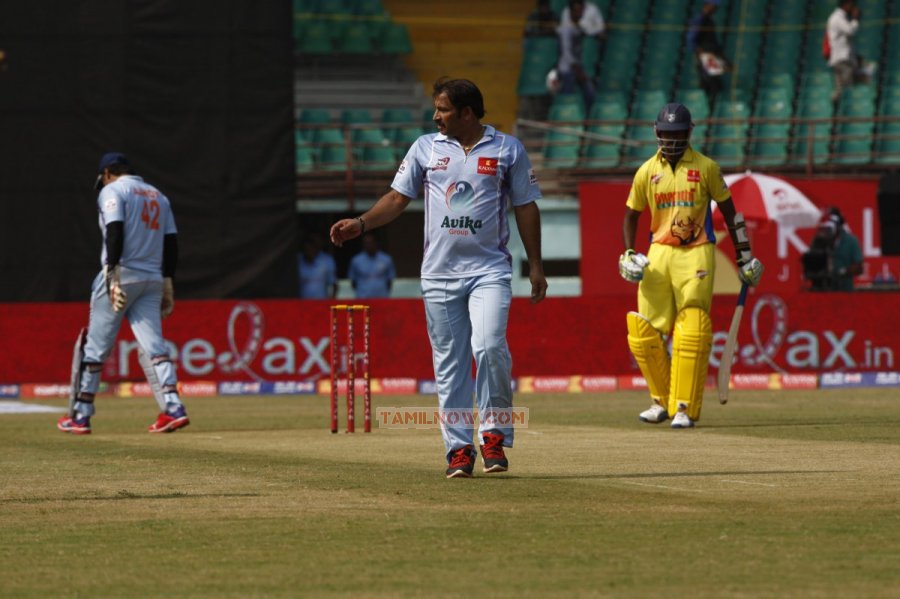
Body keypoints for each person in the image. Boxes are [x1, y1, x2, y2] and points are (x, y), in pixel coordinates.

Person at [330, 77, 547, 478]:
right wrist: (361, 224)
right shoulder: (425, 148)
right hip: (439, 275)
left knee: (489, 348)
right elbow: (397, 198)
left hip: (489, 271)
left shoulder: (506, 149)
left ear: (467, 113)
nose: (436, 116)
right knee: (450, 365)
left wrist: (535, 264)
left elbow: (526, 206)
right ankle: (460, 449)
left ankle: (494, 436)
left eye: (443, 109)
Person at [619, 103, 763, 429]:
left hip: (696, 252)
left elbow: (731, 214)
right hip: (658, 252)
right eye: (666, 134)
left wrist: (744, 255)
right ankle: (660, 401)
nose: (671, 140)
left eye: (678, 134)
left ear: (689, 133)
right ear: (657, 133)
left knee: (693, 326)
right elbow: (631, 214)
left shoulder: (706, 167)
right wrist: (628, 252)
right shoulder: (645, 171)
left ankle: (683, 407)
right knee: (644, 332)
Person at [57, 152, 188, 435]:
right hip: (152, 278)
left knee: (96, 347)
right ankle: (174, 407)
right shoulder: (158, 195)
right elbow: (171, 243)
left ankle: (81, 414)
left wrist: (111, 270)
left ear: (106, 174)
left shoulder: (113, 191)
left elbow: (114, 230)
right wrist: (168, 281)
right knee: (155, 346)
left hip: (122, 274)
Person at [827, 0, 875, 105]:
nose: (853, 7)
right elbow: (850, 30)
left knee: (864, 74)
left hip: (844, 58)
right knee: (847, 87)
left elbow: (845, 41)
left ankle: (837, 101)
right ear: (846, 4)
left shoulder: (840, 17)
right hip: (842, 59)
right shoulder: (837, 17)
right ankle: (837, 102)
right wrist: (855, 18)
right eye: (852, 5)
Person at [802, 208, 863, 291]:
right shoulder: (818, 240)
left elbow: (858, 267)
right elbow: (811, 262)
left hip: (844, 291)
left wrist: (842, 272)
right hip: (821, 290)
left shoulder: (851, 241)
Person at [555, 0, 596, 109]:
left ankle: (588, 118)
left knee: (589, 94)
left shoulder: (579, 28)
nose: (579, 13)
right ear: (570, 12)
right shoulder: (566, 29)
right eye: (576, 11)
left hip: (577, 67)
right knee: (568, 98)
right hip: (567, 70)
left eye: (580, 11)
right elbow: (566, 52)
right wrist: (578, 70)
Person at [687, 0, 728, 109]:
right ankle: (710, 110)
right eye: (714, 6)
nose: (715, 9)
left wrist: (723, 59)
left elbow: (713, 43)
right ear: (707, 5)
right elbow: (692, 39)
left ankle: (713, 109)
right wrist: (700, 54)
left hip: (710, 56)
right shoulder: (700, 20)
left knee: (715, 85)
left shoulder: (709, 21)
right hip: (706, 56)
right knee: (710, 84)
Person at [348, 233, 396, 298]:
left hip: (381, 297)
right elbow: (353, 282)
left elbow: (389, 281)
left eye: (371, 242)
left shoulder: (386, 259)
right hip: (363, 297)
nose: (369, 245)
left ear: (376, 243)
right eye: (366, 243)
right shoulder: (356, 260)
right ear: (363, 245)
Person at [297, 232, 337, 299]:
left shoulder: (327, 260)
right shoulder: (297, 260)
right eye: (306, 250)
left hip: (320, 303)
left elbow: (334, 284)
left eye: (310, 249)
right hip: (301, 303)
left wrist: (330, 302)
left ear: (315, 249)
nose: (309, 252)